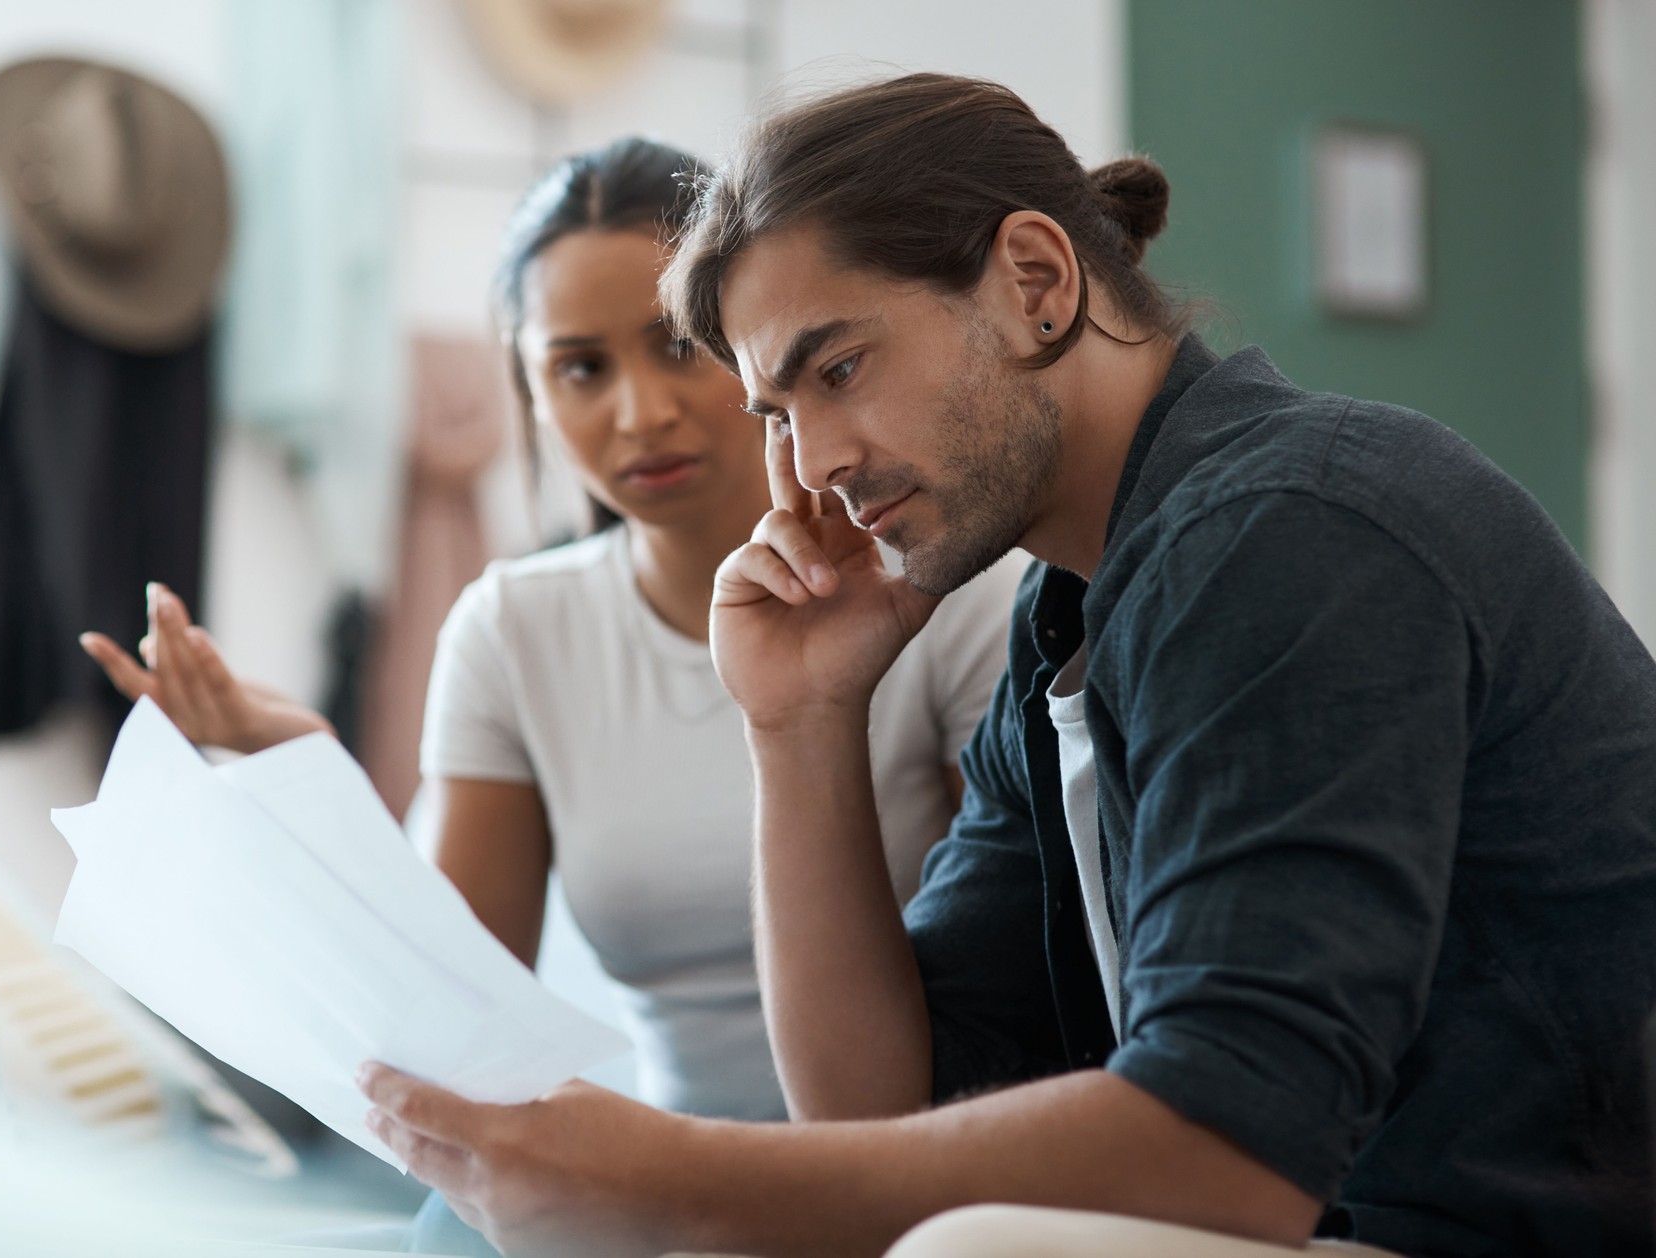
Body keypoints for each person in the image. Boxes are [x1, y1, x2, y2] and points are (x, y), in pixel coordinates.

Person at [355, 74, 1656, 1258]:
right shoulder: (1068, 610)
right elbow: (882, 1115)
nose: (812, 468)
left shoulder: (1287, 531)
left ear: (1037, 280)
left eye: (841, 368)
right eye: (780, 414)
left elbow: (1233, 1146)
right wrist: (802, 722)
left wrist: (680, 1173)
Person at [81, 137, 1020, 1250]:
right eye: (580, 368)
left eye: (678, 347)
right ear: (527, 389)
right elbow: (451, 1016)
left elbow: (1023, 995)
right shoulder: (513, 630)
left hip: (921, 1180)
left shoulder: (949, 595)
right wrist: (306, 768)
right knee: (446, 1225)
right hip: (666, 1178)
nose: (639, 413)